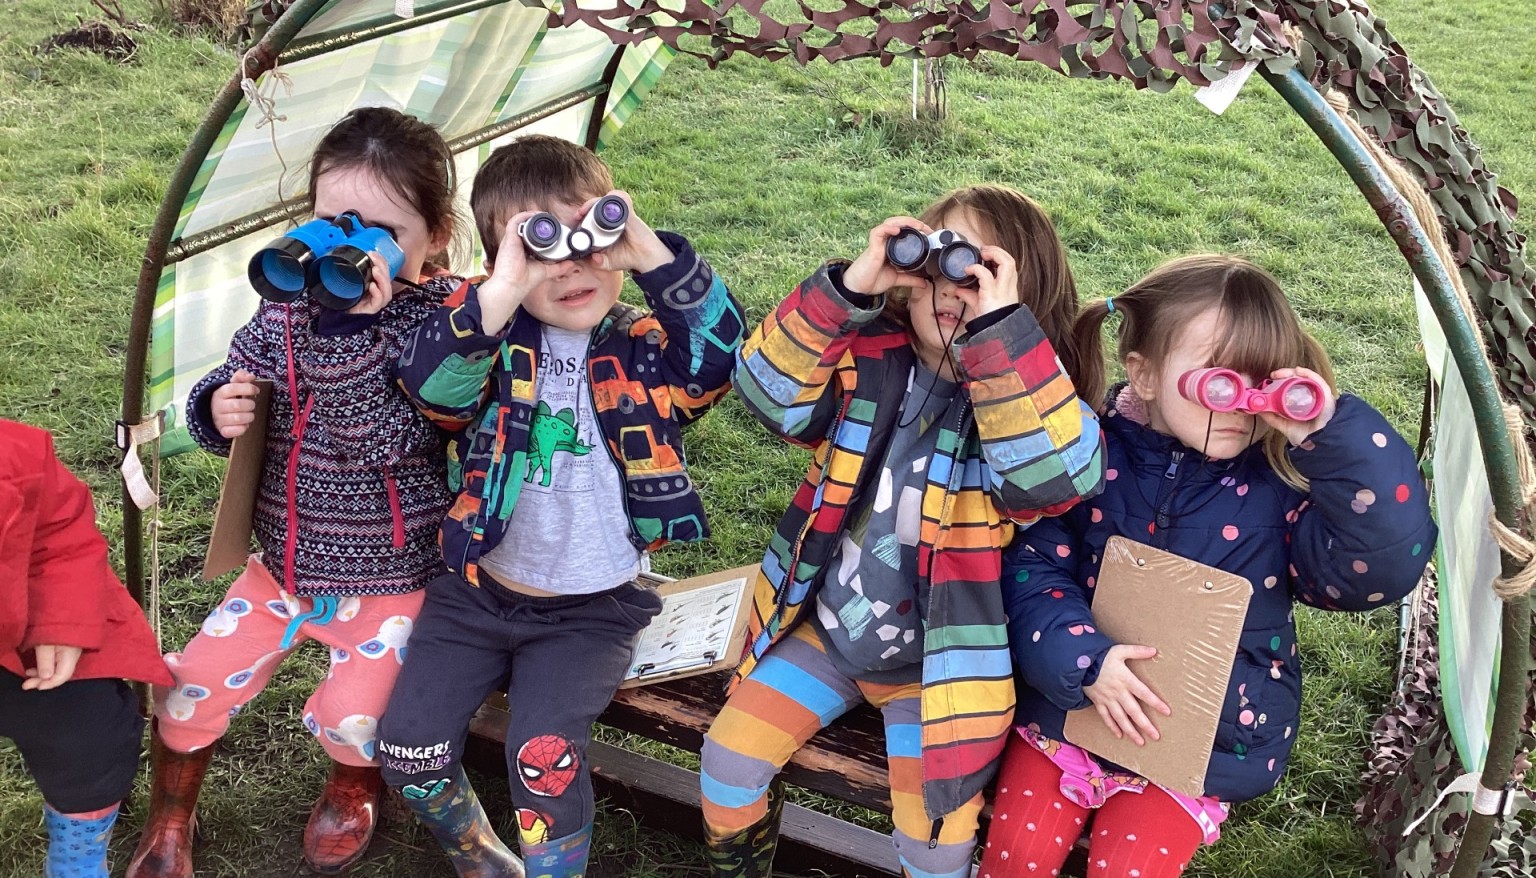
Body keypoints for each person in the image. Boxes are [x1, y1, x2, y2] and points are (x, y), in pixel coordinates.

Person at [982, 254, 1437, 877]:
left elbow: (1381, 567)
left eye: (1261, 381)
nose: (1240, 402)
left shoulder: (1281, 488)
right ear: (1142, 375)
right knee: (1017, 862)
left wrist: (1330, 433)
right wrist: (1081, 659)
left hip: (1200, 745)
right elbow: (1033, 565)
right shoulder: (1092, 459)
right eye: (1217, 380)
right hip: (1067, 714)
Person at [701, 185, 1106, 878]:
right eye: (937, 263)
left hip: (942, 673)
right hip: (829, 634)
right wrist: (854, 283)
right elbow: (767, 390)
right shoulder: (872, 361)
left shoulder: (1030, 402)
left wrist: (999, 335)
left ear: (1020, 295)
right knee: (726, 759)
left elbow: (1054, 478)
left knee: (936, 837)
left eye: (980, 273)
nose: (952, 288)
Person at [379, 134, 746, 878]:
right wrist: (501, 291)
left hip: (592, 608)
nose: (572, 263)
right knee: (405, 750)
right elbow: (430, 387)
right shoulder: (488, 342)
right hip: (477, 595)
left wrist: (648, 251)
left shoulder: (643, 348)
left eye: (590, 236)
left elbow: (718, 355)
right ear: (504, 262)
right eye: (540, 246)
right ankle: (481, 856)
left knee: (540, 760)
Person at [126, 106, 464, 878]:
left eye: (379, 232)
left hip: (387, 575)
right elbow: (245, 367)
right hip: (279, 566)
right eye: (332, 223)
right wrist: (215, 408)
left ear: (436, 234)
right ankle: (171, 814)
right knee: (189, 690)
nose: (348, 250)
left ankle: (353, 788)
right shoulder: (287, 299)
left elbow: (387, 439)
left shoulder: (441, 326)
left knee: (359, 714)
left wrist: (348, 335)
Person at [1, 419, 174, 878]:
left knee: (90, 733)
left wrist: (60, 620)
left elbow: (58, 532)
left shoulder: (13, 452)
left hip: (21, 634)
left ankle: (78, 844)